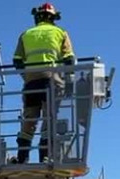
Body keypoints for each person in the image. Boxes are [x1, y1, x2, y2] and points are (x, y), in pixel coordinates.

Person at [13, 3, 76, 164]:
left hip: (30, 83)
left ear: (37, 17)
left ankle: (22, 158)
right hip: (52, 81)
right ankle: (46, 157)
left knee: (29, 120)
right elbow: (69, 58)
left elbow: (17, 60)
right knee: (49, 119)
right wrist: (69, 80)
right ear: (53, 18)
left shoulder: (25, 34)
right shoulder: (60, 33)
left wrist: (27, 77)